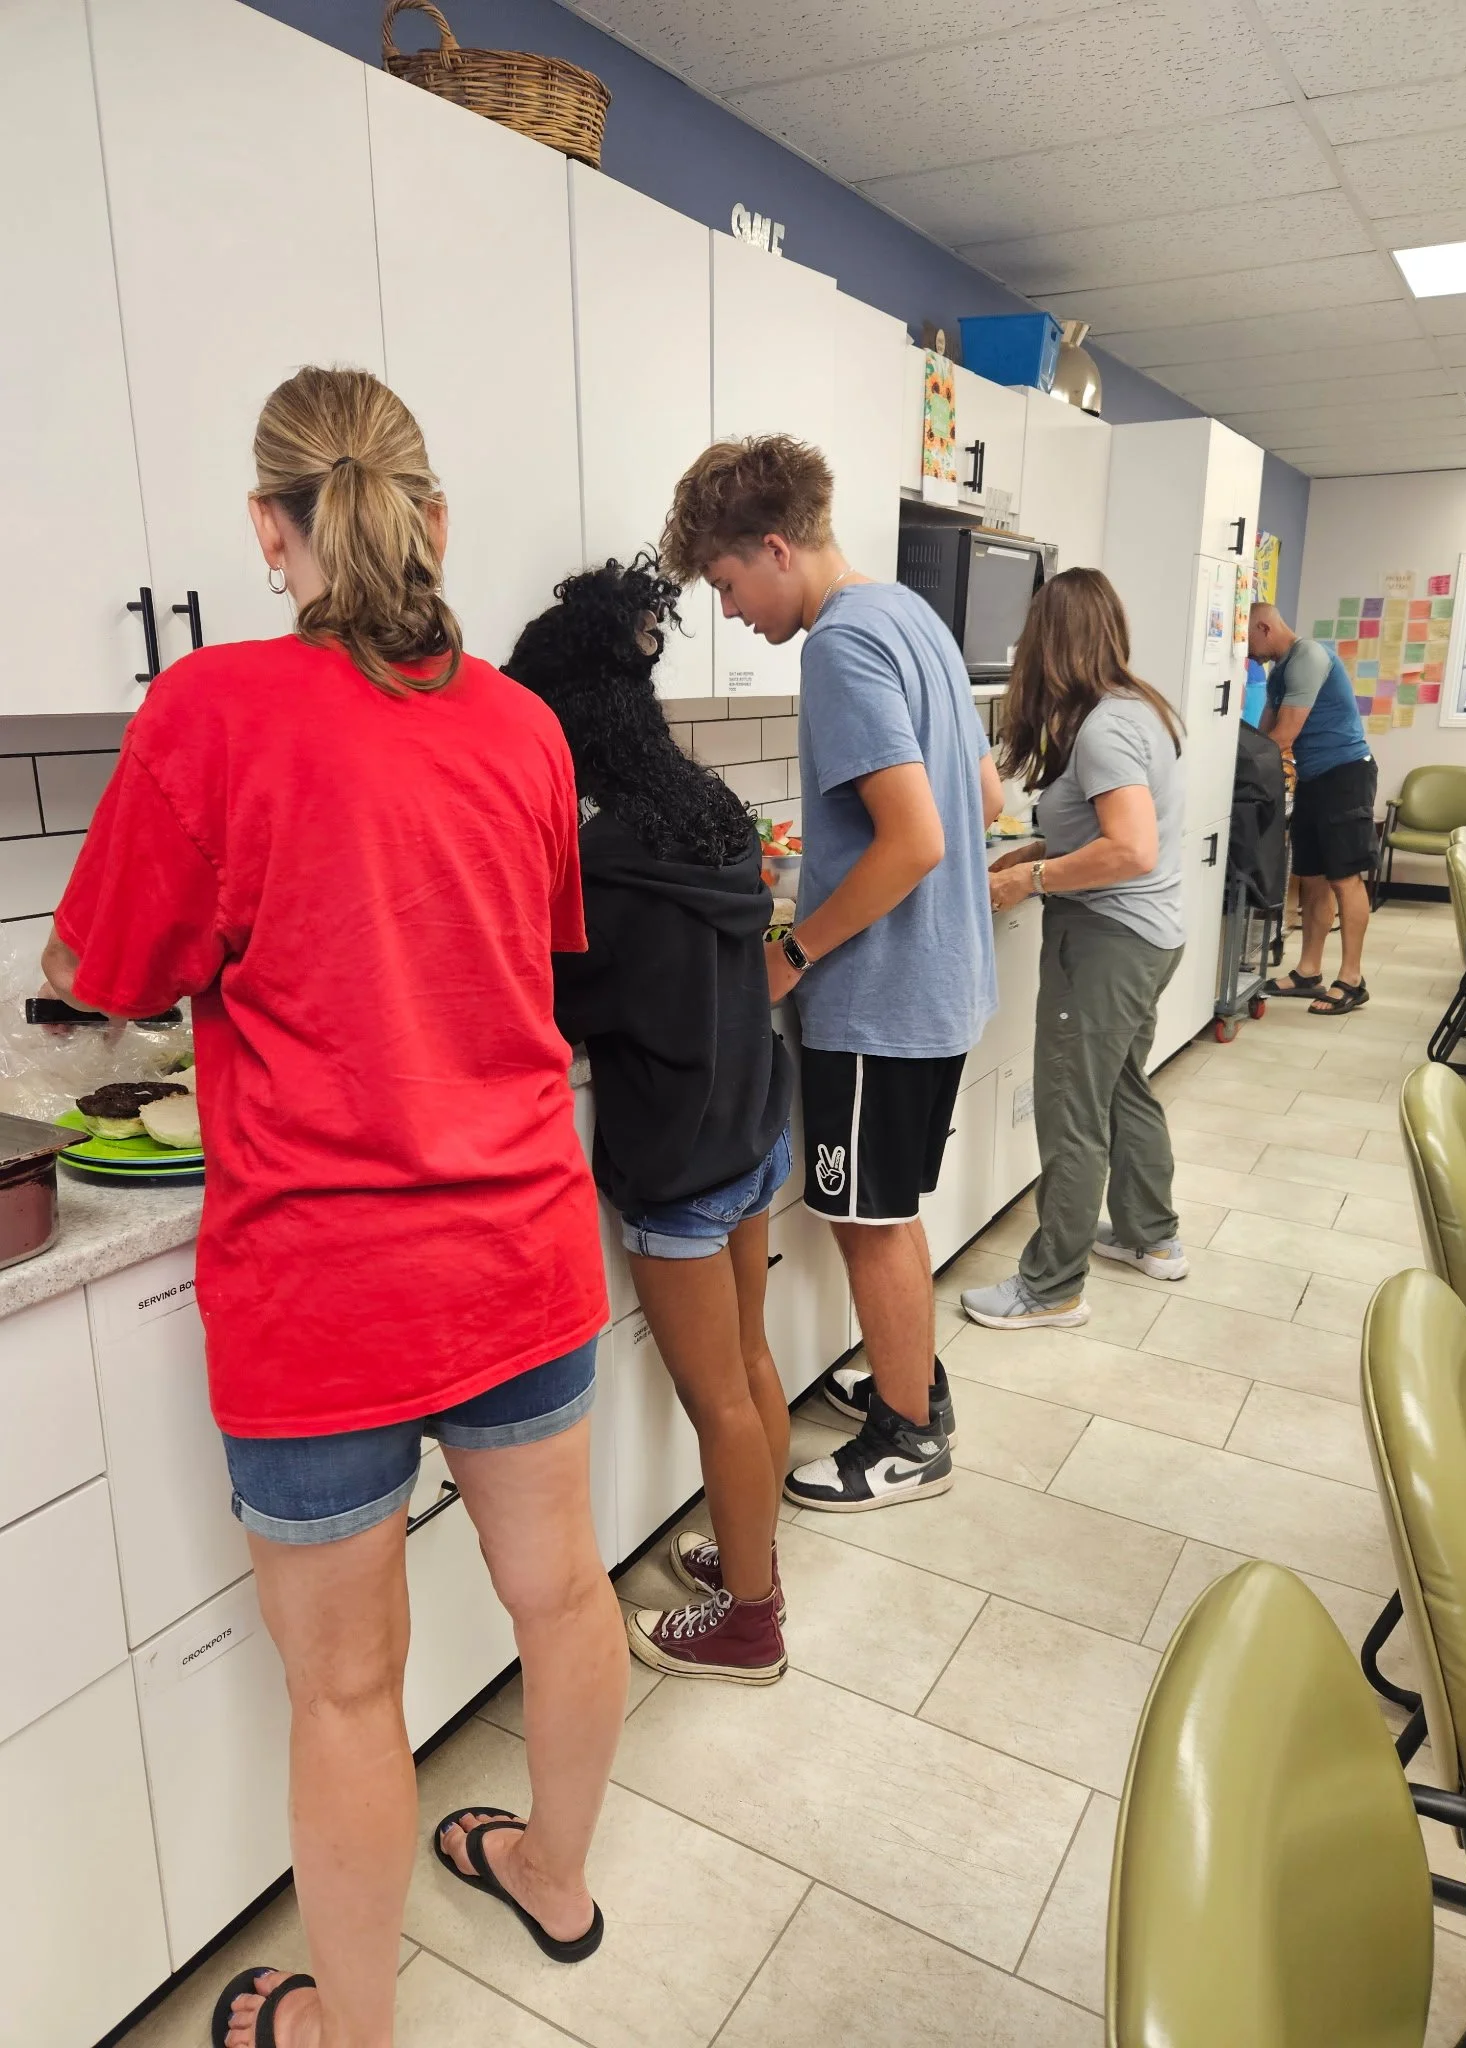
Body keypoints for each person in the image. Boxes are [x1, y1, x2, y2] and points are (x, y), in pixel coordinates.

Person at [41, 368, 629, 2048]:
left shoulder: (207, 713)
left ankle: (344, 2032)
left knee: (348, 1690)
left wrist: (87, 964)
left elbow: (102, 972)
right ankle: (557, 1876)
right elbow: (512, 952)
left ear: (267, 530)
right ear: (433, 517)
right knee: (564, 1590)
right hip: (518, 1247)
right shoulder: (524, 726)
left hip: (323, 1287)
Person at [661, 436, 1002, 1513]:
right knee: (888, 1206)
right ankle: (913, 1382)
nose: (729, 610)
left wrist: (793, 949)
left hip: (880, 995)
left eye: (724, 583)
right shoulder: (910, 616)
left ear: (773, 547)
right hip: (938, 980)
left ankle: (906, 1437)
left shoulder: (841, 647)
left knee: (867, 1217)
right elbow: (982, 800)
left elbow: (918, 840)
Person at [508, 552, 793, 1683]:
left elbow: (566, 999)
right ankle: (753, 1559)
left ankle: (751, 1623)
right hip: (750, 1127)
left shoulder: (601, 853)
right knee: (755, 1363)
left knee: (713, 1394)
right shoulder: (710, 809)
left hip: (677, 1157)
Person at [959, 567, 1188, 1332]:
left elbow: (1130, 849)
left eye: (1031, 634)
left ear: (1051, 642)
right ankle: (1150, 1237)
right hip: (1151, 934)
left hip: (1110, 941)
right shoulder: (1132, 709)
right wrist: (1029, 857)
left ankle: (1051, 1286)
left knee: (1072, 1108)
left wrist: (1032, 881)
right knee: (1123, 1086)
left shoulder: (1104, 729)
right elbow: (1108, 835)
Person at [1250, 601, 1377, 1015]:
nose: (1246, 651)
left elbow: (1284, 735)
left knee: (1345, 879)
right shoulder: (1278, 671)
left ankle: (1352, 979)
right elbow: (1263, 734)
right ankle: (1308, 971)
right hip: (1313, 778)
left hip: (1345, 776)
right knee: (1312, 878)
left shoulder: (1308, 657)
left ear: (1266, 627)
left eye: (1248, 639)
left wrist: (1240, 768)